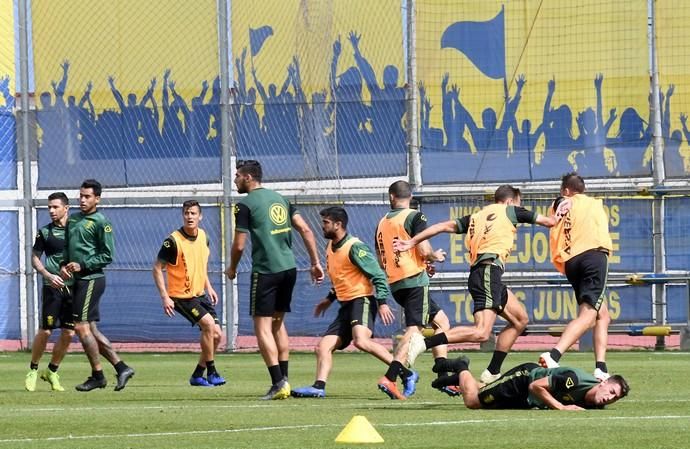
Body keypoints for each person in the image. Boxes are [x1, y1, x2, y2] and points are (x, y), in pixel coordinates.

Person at [394, 185, 565, 384]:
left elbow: (440, 226)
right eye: (519, 204)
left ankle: (492, 372)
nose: (520, 208)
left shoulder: (476, 217)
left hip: (485, 274)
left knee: (520, 319)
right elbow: (551, 221)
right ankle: (424, 342)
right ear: (510, 201)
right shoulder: (510, 211)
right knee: (481, 332)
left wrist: (412, 242)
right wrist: (559, 204)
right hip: (487, 272)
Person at [225, 160, 325, 400]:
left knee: (262, 329)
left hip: (267, 271)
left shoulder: (245, 205)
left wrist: (232, 268)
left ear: (248, 177)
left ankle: (278, 382)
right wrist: (315, 262)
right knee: (278, 324)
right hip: (289, 269)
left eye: (237, 175)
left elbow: (239, 244)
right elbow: (306, 230)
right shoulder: (281, 199)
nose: (235, 180)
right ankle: (286, 381)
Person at [290, 207, 396, 399]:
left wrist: (382, 303)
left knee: (361, 341)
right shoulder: (330, 247)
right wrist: (328, 300)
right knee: (322, 347)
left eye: (326, 223)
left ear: (338, 225)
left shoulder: (355, 247)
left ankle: (404, 371)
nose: (322, 226)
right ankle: (318, 387)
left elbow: (378, 276)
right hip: (345, 306)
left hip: (361, 301)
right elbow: (342, 278)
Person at [374, 180, 456, 399]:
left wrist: (418, 262)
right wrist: (433, 256)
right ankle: (391, 377)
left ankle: (443, 375)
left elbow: (382, 259)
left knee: (442, 323)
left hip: (396, 282)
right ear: (410, 196)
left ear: (391, 196)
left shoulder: (382, 223)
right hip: (414, 281)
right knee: (414, 330)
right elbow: (422, 246)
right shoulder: (415, 216)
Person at [59, 179, 134, 392]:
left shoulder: (102, 222)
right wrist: (65, 265)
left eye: (87, 196)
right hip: (77, 280)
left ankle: (98, 375)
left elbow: (107, 255)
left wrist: (82, 265)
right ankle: (122, 368)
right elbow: (68, 248)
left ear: (97, 199)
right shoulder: (73, 220)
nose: (82, 200)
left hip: (92, 280)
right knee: (90, 329)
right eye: (81, 196)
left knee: (81, 327)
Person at [540, 172, 613, 380]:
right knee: (588, 314)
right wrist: (563, 199)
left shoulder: (559, 204)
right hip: (593, 257)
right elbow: (562, 201)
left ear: (565, 189)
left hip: (572, 262)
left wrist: (561, 200)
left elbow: (559, 204)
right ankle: (554, 355)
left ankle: (601, 368)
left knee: (602, 314)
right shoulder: (593, 203)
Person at [153, 200, 225, 387]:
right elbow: (157, 268)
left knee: (217, 336)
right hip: (180, 296)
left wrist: (208, 286)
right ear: (183, 215)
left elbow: (200, 265)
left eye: (193, 213)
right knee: (208, 325)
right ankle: (212, 371)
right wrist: (165, 297)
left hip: (199, 294)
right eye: (186, 213)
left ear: (200, 216)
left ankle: (197, 375)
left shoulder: (203, 236)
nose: (190, 217)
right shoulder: (173, 241)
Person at [432, 356, 629, 410]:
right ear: (602, 382)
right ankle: (461, 366)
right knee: (474, 402)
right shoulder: (574, 380)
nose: (609, 398)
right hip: (525, 379)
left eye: (614, 398)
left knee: (484, 392)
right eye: (611, 391)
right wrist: (560, 407)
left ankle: (460, 378)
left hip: (528, 400)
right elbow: (536, 386)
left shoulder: (595, 403)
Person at [25, 192, 75, 392]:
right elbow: (35, 258)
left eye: (55, 207)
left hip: (74, 288)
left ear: (66, 208)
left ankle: (52, 371)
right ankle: (33, 369)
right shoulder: (45, 233)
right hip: (52, 288)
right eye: (49, 207)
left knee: (69, 333)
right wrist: (48, 275)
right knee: (46, 331)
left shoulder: (77, 230)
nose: (51, 211)